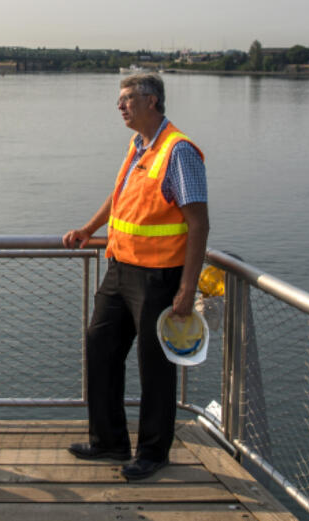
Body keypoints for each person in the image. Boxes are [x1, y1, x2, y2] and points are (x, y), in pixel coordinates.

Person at [62, 73, 210, 482]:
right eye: (120, 100)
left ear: (152, 101)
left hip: (159, 278)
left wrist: (187, 287)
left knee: (154, 366)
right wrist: (89, 229)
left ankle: (152, 452)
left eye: (127, 99)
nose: (120, 106)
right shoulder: (140, 145)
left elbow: (198, 223)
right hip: (120, 268)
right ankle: (109, 440)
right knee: (100, 345)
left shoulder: (178, 151)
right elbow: (120, 196)